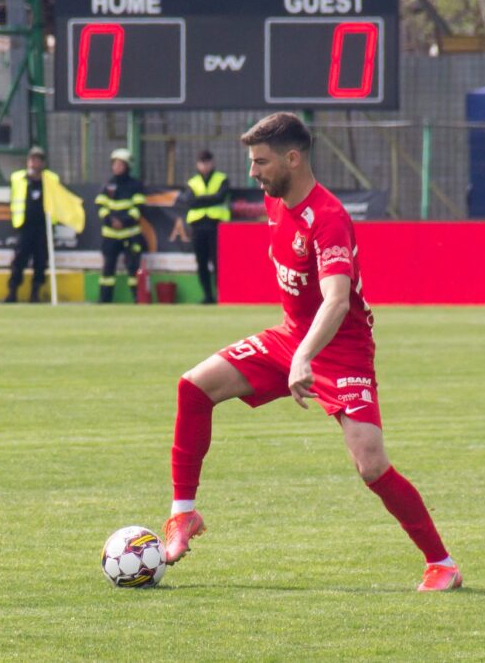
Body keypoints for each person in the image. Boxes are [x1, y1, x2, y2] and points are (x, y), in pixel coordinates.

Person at [163, 112, 461, 591]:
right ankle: (183, 515)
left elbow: (338, 300)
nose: (253, 173)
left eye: (261, 162)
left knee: (370, 463)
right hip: (291, 337)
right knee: (193, 386)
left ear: (293, 159)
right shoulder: (274, 200)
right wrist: (295, 349)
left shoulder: (330, 220)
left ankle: (442, 563)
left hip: (340, 349)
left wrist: (304, 357)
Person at [95, 148, 146, 303]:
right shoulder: (107, 185)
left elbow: (138, 209)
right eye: (114, 164)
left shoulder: (136, 185)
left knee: (133, 269)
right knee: (107, 270)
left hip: (130, 234)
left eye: (120, 164)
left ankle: (138, 299)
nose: (116, 167)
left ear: (127, 166)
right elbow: (100, 207)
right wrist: (111, 221)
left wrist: (123, 222)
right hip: (110, 235)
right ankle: (104, 301)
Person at [182, 150, 230, 304]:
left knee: (218, 262)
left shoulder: (221, 179)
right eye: (202, 162)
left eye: (207, 162)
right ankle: (208, 296)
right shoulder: (192, 182)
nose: (205, 166)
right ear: (197, 164)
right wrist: (210, 199)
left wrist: (200, 199)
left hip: (216, 226)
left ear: (212, 162)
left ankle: (221, 295)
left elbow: (220, 197)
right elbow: (190, 201)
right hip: (198, 227)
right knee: (201, 262)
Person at [5, 146, 51, 303]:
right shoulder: (18, 178)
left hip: (43, 228)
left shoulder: (50, 180)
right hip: (24, 226)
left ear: (43, 163)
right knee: (19, 259)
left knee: (40, 260)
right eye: (32, 160)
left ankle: (35, 293)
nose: (34, 163)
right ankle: (12, 292)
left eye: (37, 160)